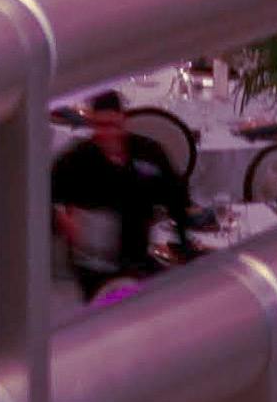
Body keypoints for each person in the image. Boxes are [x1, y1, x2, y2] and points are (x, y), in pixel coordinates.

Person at [48, 92, 195, 299]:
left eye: (113, 125)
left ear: (123, 121)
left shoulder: (148, 153)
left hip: (138, 254)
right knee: (116, 302)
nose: (107, 133)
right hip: (94, 262)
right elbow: (45, 201)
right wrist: (61, 218)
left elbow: (176, 197)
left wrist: (184, 243)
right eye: (100, 125)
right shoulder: (75, 161)